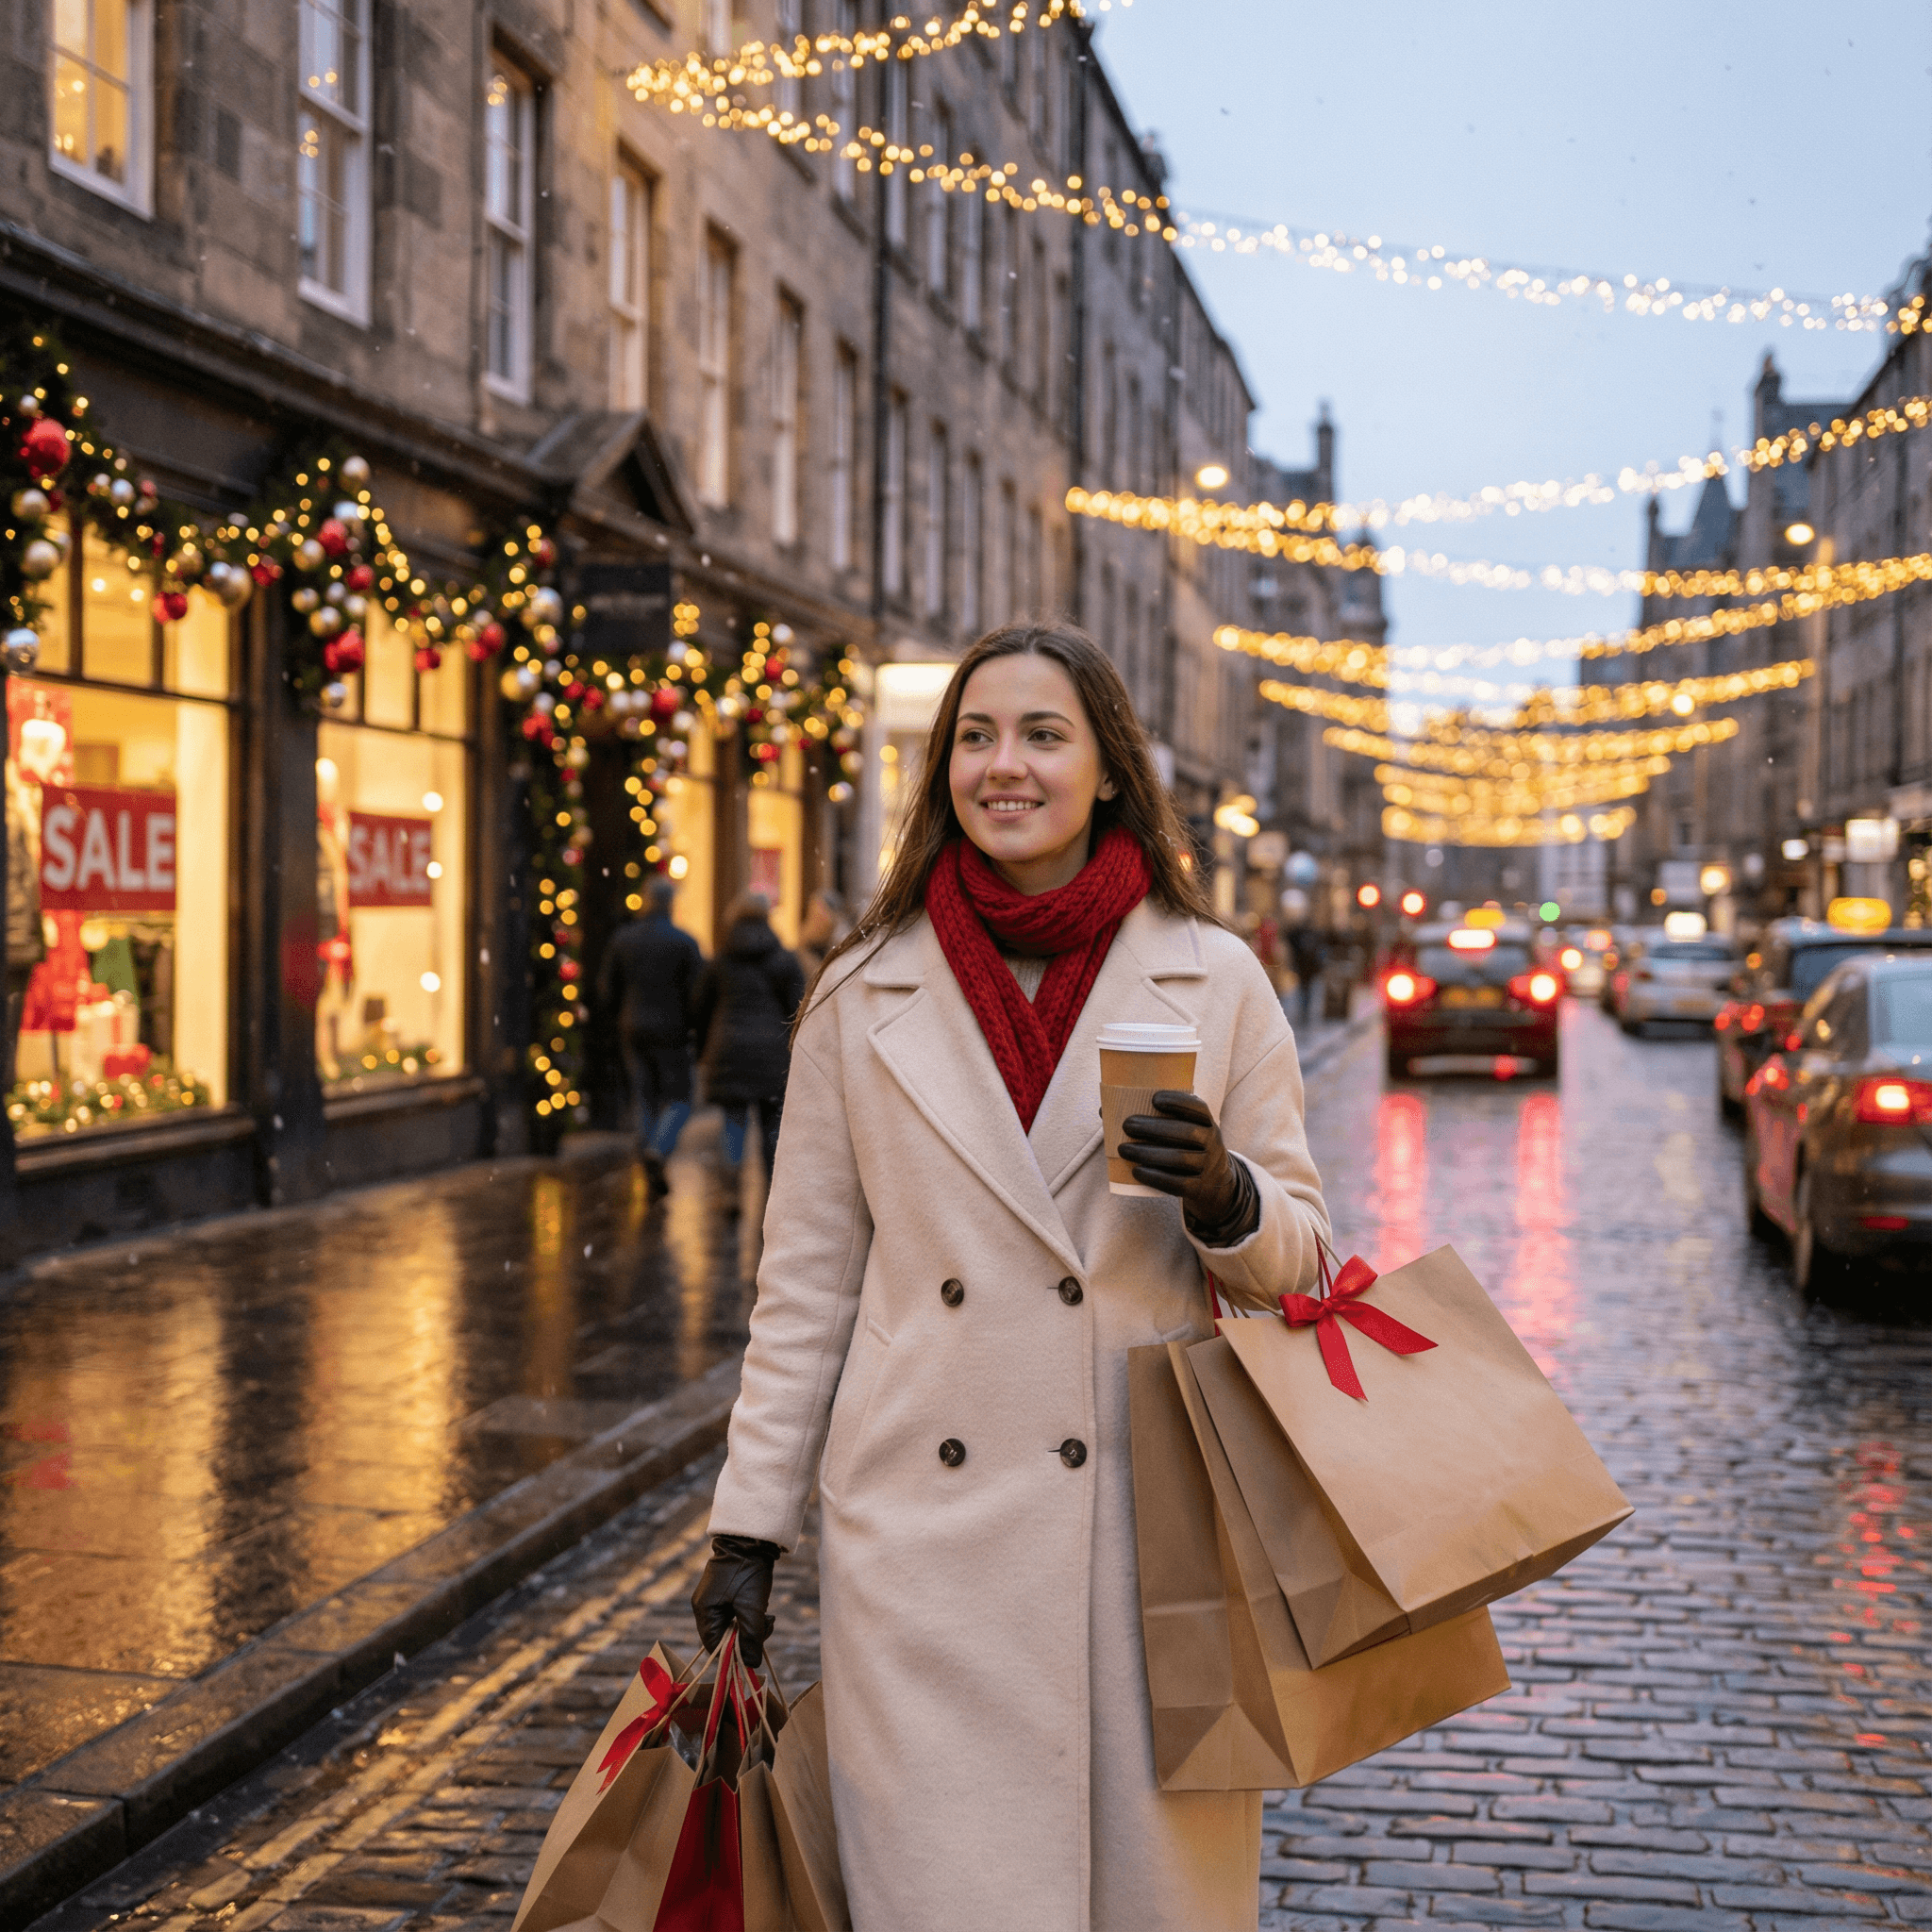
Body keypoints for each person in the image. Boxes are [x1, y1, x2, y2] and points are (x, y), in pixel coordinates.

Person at [691, 620, 1330, 1932]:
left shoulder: (1214, 979)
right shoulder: (860, 993)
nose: (1006, 766)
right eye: (976, 737)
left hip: (1152, 1540)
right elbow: (804, 1289)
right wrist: (750, 1528)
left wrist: (1225, 1194)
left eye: (1044, 735)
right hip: (921, 1540)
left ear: (1107, 770)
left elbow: (1303, 1264)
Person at [691, 890, 805, 1197]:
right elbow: (797, 1008)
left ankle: (731, 1189)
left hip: (729, 1049)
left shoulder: (721, 960)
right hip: (772, 1053)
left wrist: (703, 1050)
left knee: (734, 1121)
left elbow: (700, 1008)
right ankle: (773, 1191)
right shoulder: (783, 959)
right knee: (771, 1125)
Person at [597, 874, 703, 1196]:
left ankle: (648, 1150)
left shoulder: (623, 939)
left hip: (633, 1025)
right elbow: (697, 993)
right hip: (672, 1028)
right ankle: (658, 1148)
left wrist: (621, 1013)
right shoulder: (683, 942)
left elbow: (606, 990)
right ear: (670, 903)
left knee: (644, 1094)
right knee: (681, 1099)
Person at [794, 886, 847, 983]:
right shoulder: (802, 948)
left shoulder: (843, 948)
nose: (812, 922)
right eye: (811, 915)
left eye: (817, 916)